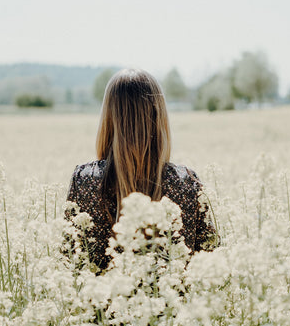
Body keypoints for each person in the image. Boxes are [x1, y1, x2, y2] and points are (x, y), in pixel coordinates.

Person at [65, 68, 218, 270]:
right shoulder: (188, 183)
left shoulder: (84, 180)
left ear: (108, 120)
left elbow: (70, 263)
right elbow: (211, 263)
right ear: (159, 118)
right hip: (174, 302)